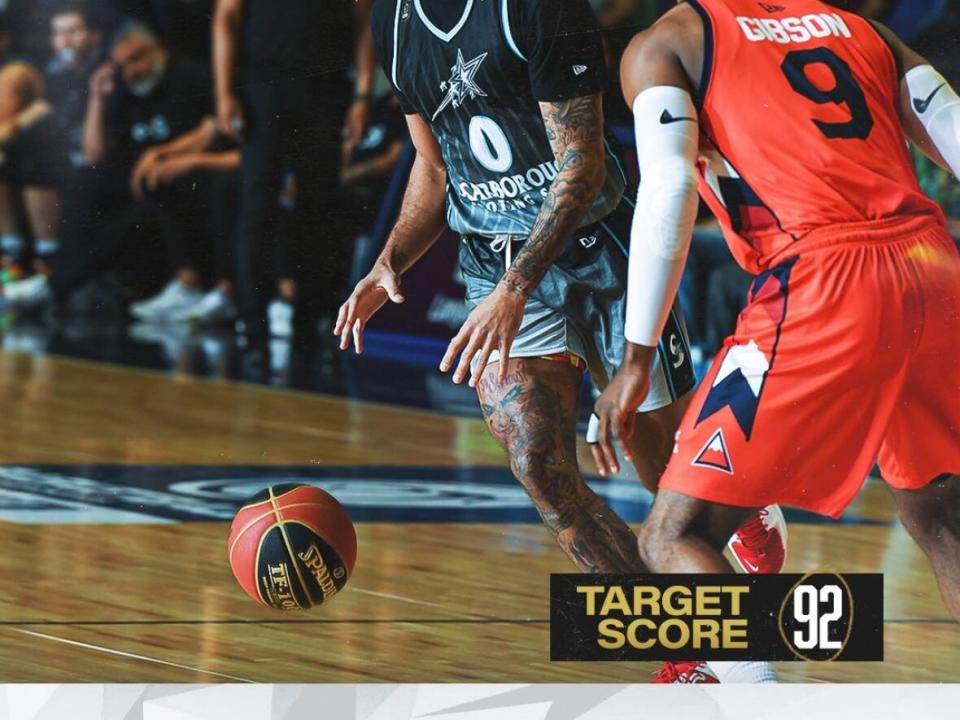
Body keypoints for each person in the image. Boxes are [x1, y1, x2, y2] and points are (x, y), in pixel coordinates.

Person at [338, 0, 784, 578]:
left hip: (601, 250)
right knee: (538, 465)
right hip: (493, 261)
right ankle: (681, 650)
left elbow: (583, 165)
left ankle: (735, 509)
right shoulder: (393, 21)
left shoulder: (535, 8)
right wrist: (389, 261)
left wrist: (517, 285)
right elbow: (434, 165)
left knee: (665, 476)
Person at [593, 0, 960, 683]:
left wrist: (637, 354)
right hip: (933, 269)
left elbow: (671, 187)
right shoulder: (859, 28)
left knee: (675, 536)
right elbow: (954, 127)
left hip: (823, 280)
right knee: (941, 515)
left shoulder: (667, 43)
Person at [213, 0, 376, 339]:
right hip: (263, 86)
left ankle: (309, 324)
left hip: (325, 86)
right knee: (257, 207)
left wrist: (363, 94)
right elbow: (226, 17)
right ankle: (252, 325)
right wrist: (224, 92)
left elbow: (364, 22)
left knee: (318, 207)